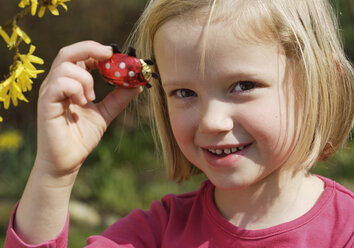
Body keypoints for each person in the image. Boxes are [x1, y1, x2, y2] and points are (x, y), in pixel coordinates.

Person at [5, 0, 354, 247]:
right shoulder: (151, 235)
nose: (212, 121)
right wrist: (54, 173)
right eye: (185, 92)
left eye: (243, 86)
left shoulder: (346, 231)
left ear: (318, 83)